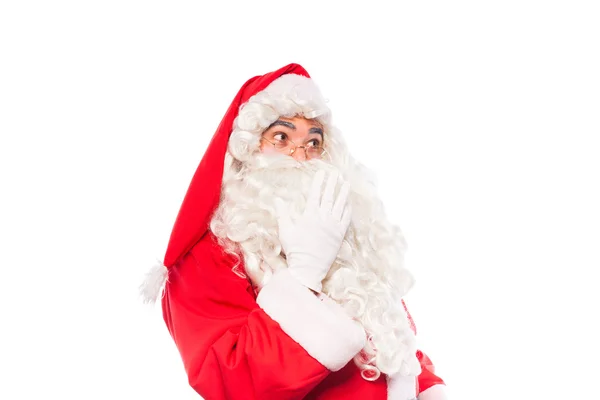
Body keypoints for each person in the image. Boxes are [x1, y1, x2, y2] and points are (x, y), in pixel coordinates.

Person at [140, 63, 448, 400]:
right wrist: (303, 273)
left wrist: (429, 388)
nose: (301, 157)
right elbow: (233, 384)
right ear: (248, 151)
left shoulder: (342, 235)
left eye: (314, 142)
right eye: (282, 137)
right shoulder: (207, 257)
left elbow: (390, 336)